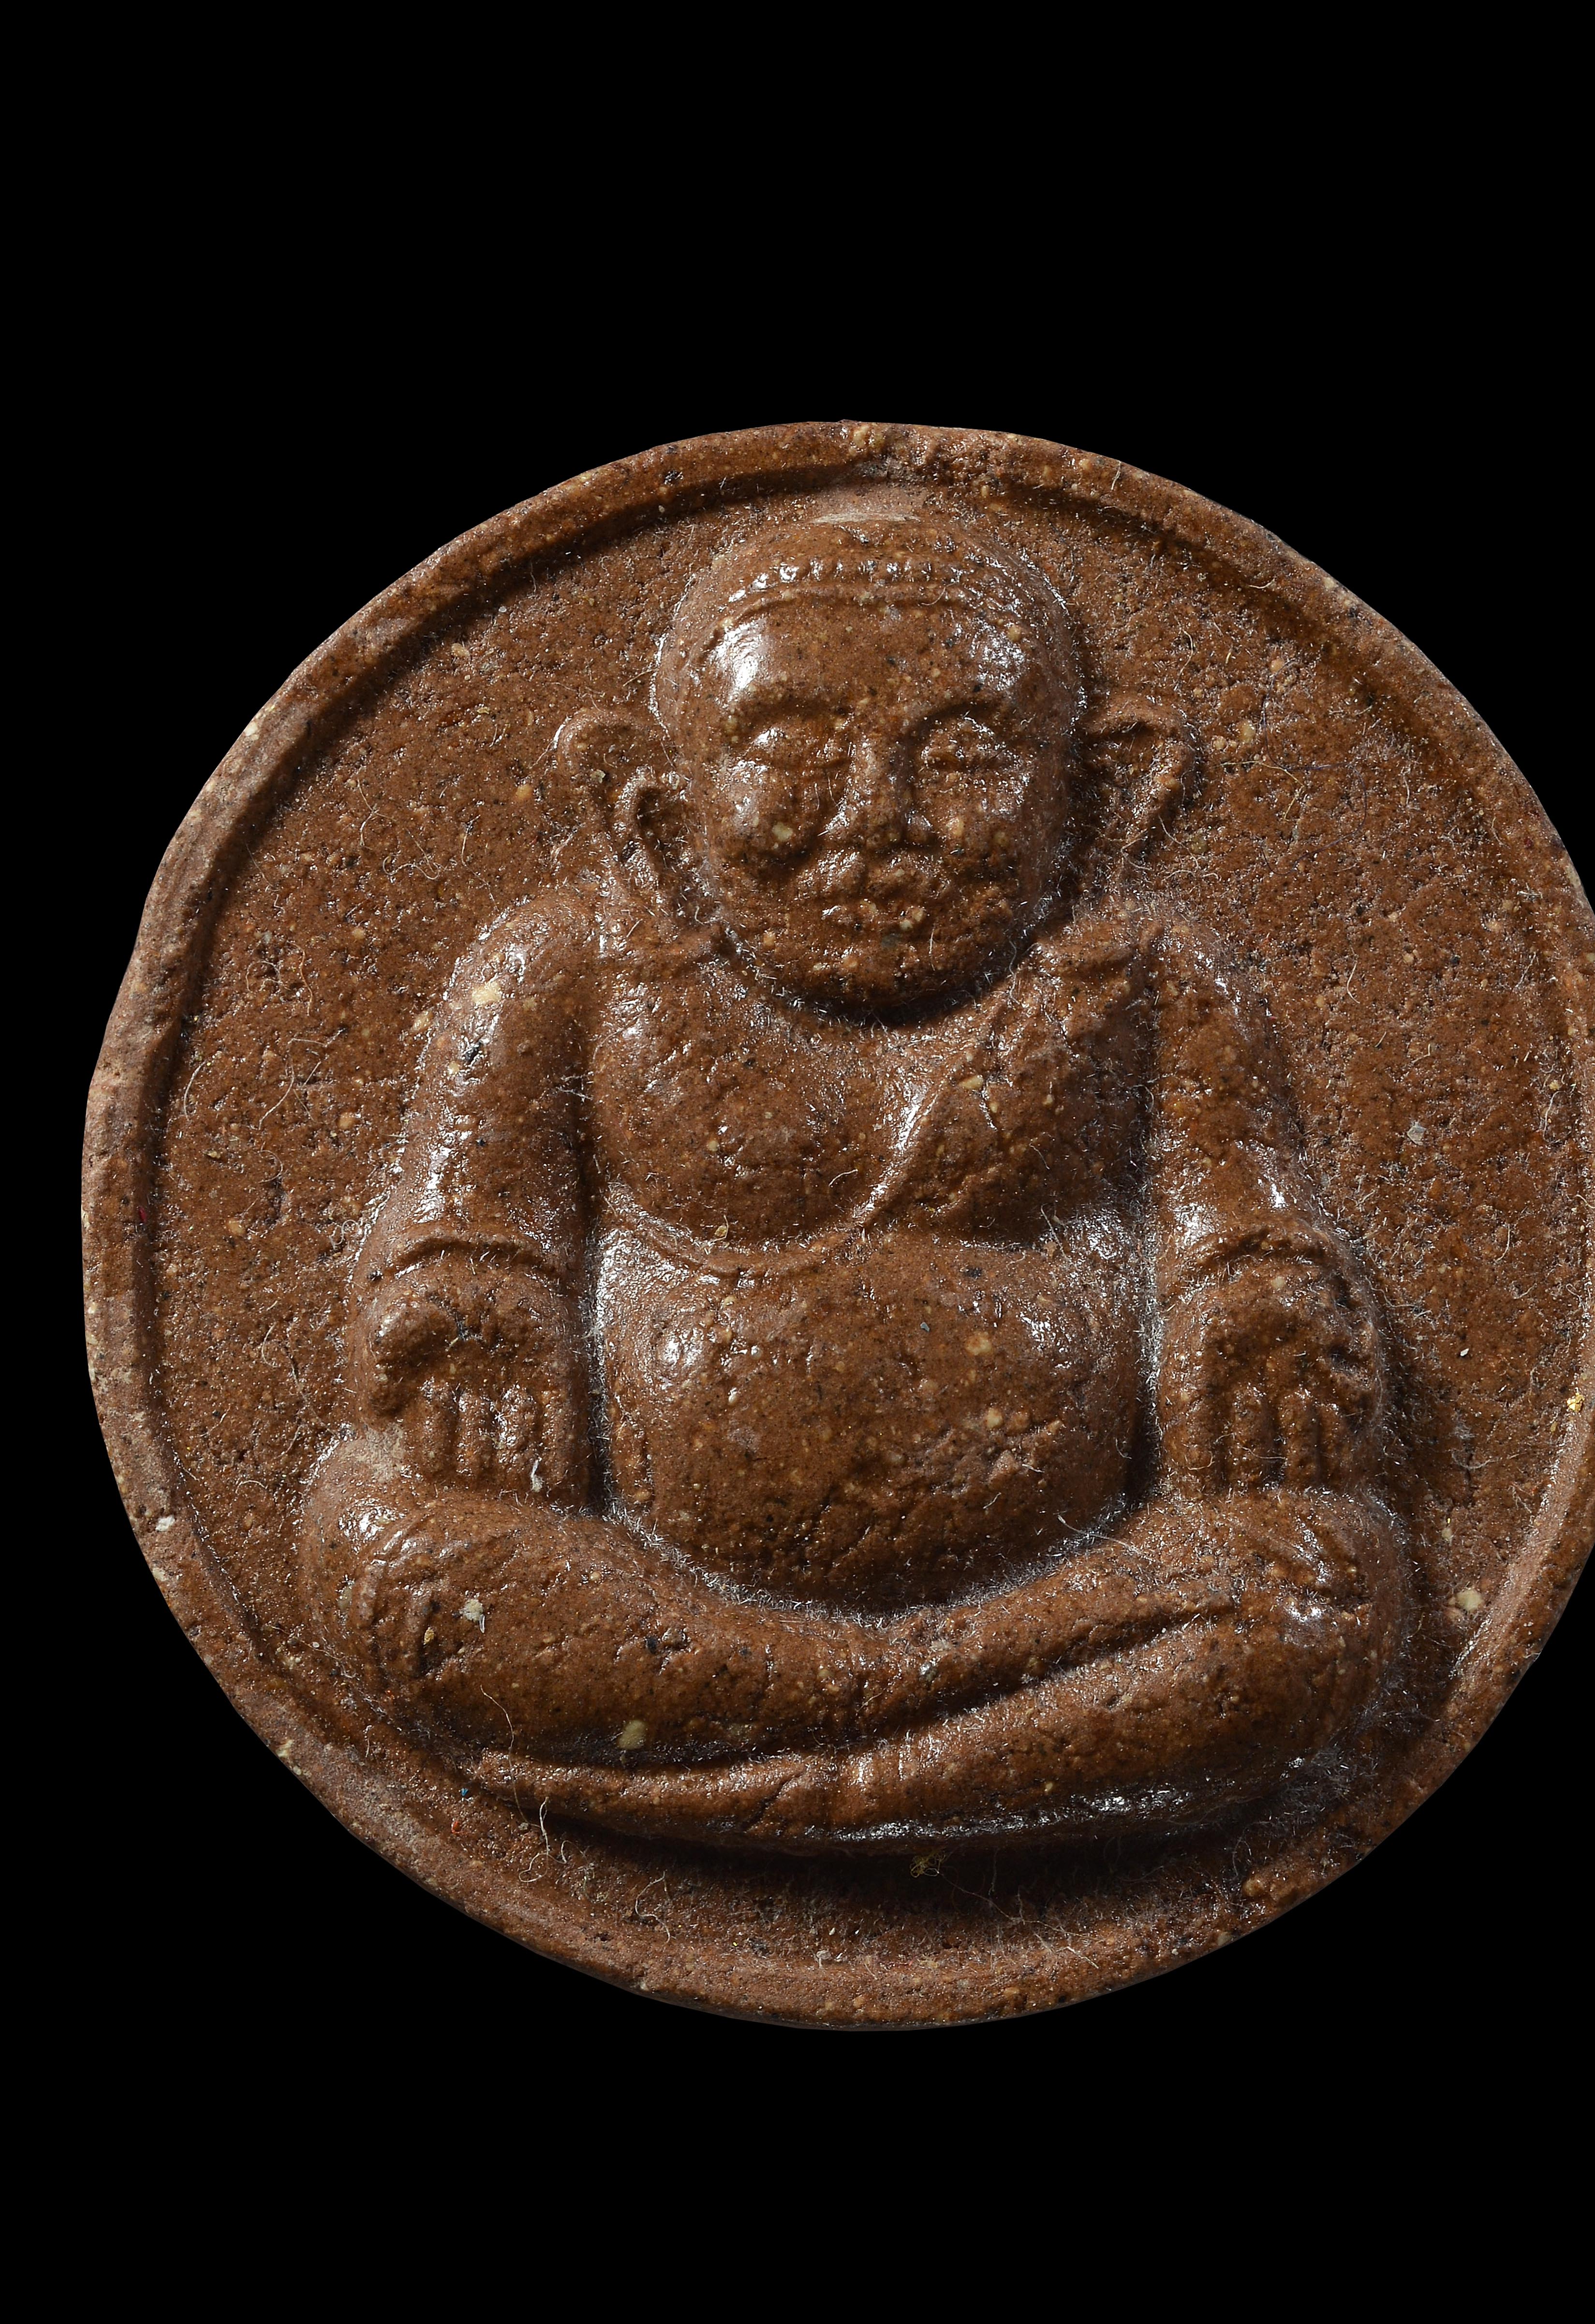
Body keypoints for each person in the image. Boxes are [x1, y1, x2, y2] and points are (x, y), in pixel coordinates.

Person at [300, 495, 1407, 1850]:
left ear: (1097, 797)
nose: (881, 821)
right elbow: (460, 1228)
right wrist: (468, 1310)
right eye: (792, 754)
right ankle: (952, 1751)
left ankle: (792, 1775)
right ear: (654, 808)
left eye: (964, 758)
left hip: (1068, 1582)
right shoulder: (567, 971)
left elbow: (1247, 1223)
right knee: (387, 1555)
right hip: (686, 1596)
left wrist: (1260, 1307)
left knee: (1322, 1590)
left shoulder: (1152, 979)